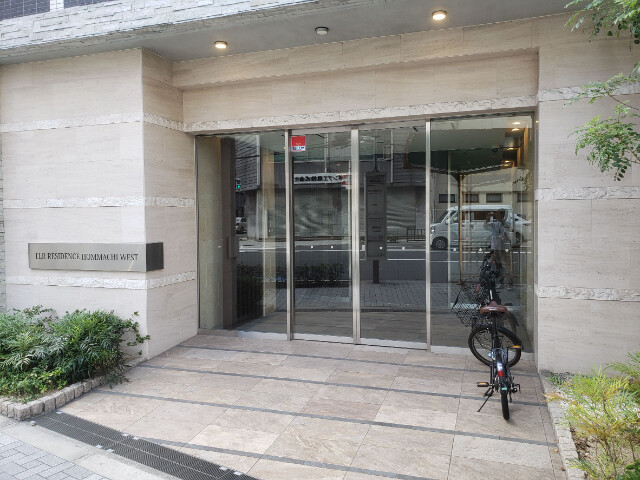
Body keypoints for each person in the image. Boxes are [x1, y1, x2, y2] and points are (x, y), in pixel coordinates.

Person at [484, 210, 513, 289]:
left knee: (506, 266)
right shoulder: (495, 224)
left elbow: (506, 227)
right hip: (496, 249)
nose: (496, 216)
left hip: (504, 249)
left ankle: (510, 284)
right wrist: (487, 218)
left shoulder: (506, 223)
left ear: (502, 216)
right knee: (498, 266)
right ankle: (501, 283)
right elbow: (485, 226)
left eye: (498, 214)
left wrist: (499, 217)